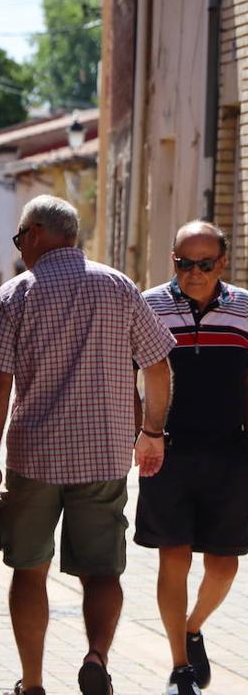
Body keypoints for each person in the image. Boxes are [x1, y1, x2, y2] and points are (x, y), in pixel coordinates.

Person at [0, 195, 176, 695]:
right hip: (103, 455)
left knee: (28, 569)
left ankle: (34, 684)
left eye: (21, 239)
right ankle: (96, 657)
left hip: (33, 457)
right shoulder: (119, 287)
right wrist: (151, 432)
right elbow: (158, 367)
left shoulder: (15, 294)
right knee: (102, 569)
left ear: (37, 233)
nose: (20, 249)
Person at [135, 220, 248, 695]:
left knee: (224, 565)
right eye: (185, 263)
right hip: (168, 450)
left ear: (222, 264)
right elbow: (128, 375)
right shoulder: (148, 306)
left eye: (205, 264)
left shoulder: (245, 309)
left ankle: (193, 626)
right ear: (173, 261)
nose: (194, 272)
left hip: (232, 452)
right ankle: (181, 668)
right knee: (173, 558)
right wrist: (142, 434)